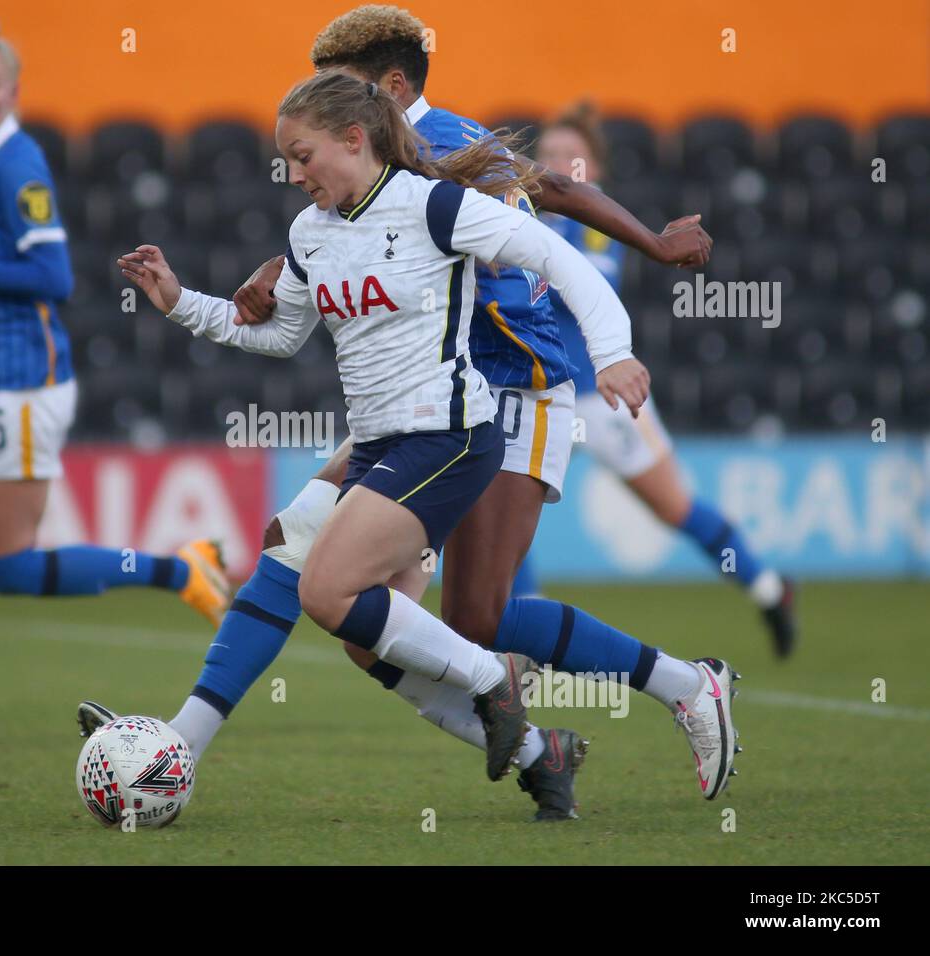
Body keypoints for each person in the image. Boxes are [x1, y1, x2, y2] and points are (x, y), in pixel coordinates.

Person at [86, 5, 739, 811]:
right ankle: (182, 743)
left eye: (345, 90)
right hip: (411, 404)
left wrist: (650, 254)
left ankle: (680, 685)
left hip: (512, 386)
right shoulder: (343, 197)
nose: (330, 107)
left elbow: (557, 195)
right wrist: (251, 275)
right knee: (302, 555)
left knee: (474, 613)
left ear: (386, 94)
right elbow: (344, 241)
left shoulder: (445, 152)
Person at [0, 5, 228, 750]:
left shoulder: (17, 164)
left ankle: (177, 568)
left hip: (24, 385)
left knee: (10, 570)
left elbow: (51, 277)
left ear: (12, 94)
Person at [518, 101, 797, 658]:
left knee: (675, 508)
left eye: (568, 156)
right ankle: (519, 639)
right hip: (539, 395)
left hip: (601, 399)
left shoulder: (594, 229)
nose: (553, 163)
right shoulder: (516, 217)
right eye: (545, 154)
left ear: (591, 171)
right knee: (508, 508)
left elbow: (572, 287)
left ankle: (769, 588)